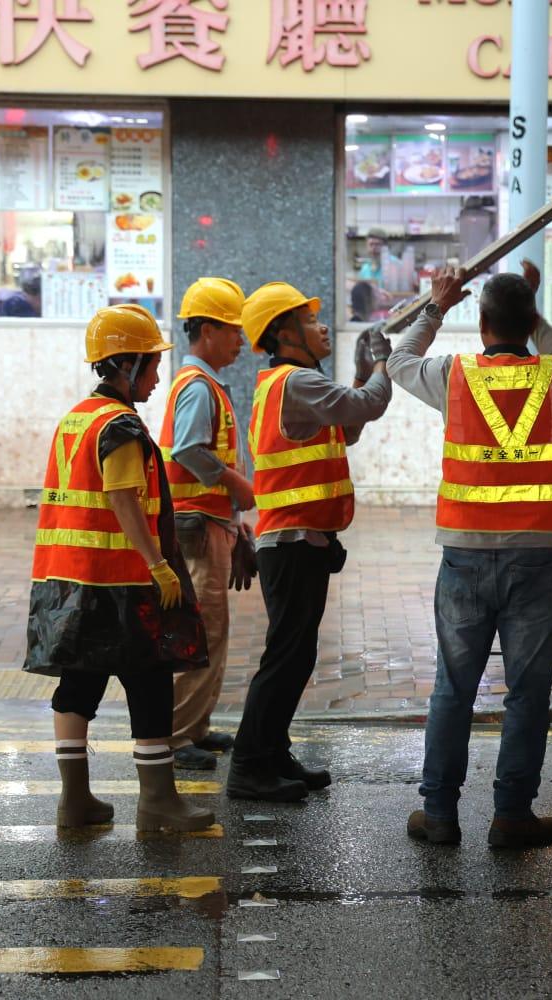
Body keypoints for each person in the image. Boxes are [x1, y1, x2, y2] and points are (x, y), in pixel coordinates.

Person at [383, 261, 552, 849]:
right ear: (529, 322)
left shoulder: (455, 375)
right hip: (537, 556)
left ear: (481, 324)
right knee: (528, 690)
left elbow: (397, 362)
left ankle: (439, 815)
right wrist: (534, 312)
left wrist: (436, 306)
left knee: (453, 686)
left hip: (465, 555)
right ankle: (512, 815)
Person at [25, 303, 214, 833]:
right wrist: (160, 565)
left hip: (67, 581)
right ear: (127, 365)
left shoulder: (77, 417)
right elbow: (123, 497)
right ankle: (158, 802)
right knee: (150, 682)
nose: (157, 376)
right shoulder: (121, 425)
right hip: (121, 582)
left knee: (77, 686)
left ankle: (75, 801)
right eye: (152, 365)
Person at [225, 281, 391, 802]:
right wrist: (382, 363)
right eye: (309, 319)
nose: (322, 327)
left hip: (299, 542)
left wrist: (361, 374)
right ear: (283, 333)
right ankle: (249, 766)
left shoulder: (289, 384)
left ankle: (273, 753)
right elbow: (370, 405)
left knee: (296, 655)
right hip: (291, 541)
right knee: (286, 656)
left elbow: (349, 426)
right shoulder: (295, 381)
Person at [158, 277, 257, 770]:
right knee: (201, 629)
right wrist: (236, 484)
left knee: (211, 629)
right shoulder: (198, 387)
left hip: (210, 523)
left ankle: (194, 726)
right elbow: (189, 451)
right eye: (234, 330)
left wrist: (235, 521)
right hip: (196, 528)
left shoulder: (206, 384)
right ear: (208, 331)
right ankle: (177, 737)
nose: (241, 340)